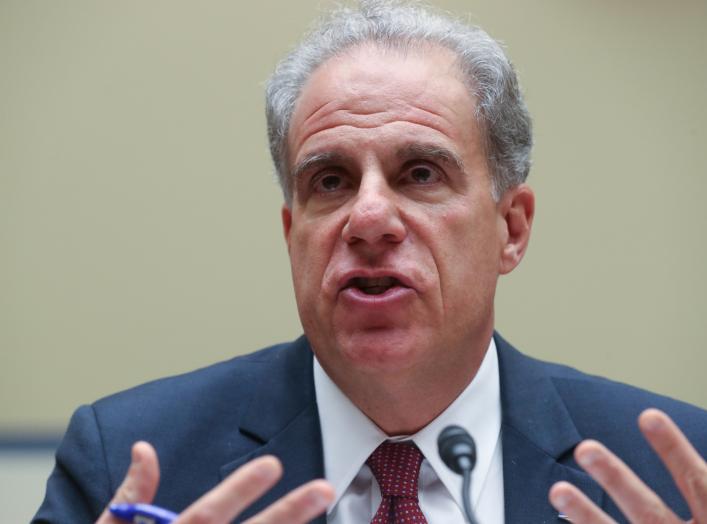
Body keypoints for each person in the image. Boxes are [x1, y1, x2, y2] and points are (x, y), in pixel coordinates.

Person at [34, 1, 707, 523]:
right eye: (329, 181)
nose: (369, 219)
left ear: (510, 228)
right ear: (292, 233)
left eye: (418, 172)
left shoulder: (674, 469)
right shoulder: (129, 462)